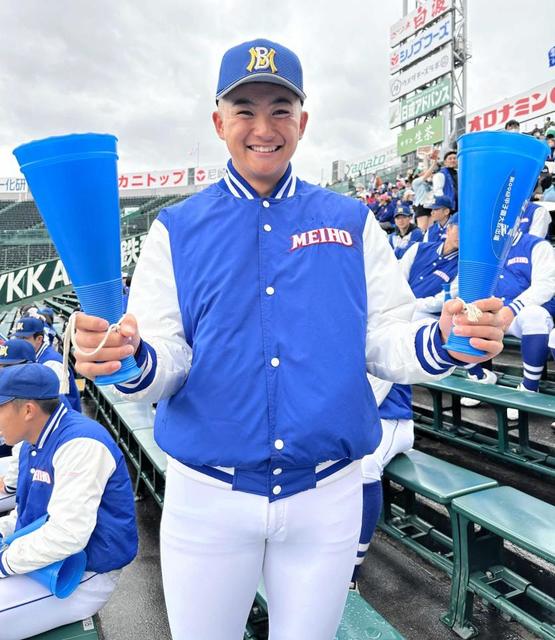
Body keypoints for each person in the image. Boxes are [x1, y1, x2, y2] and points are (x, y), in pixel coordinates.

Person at [73, 38, 504, 640]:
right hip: (209, 495)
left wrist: (445, 341)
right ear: (218, 122)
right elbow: (167, 359)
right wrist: (129, 359)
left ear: (302, 121)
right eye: (244, 110)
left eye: (280, 109)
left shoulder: (352, 220)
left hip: (325, 493)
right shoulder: (177, 227)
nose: (263, 127)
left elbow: (386, 338)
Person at [0, 364, 138, 639]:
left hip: (83, 574)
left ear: (28, 410)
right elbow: (28, 513)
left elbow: (68, 535)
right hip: (48, 560)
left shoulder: (81, 443)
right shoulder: (33, 440)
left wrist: (4, 561)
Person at [461, 230, 555, 419]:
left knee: (534, 315)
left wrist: (512, 309)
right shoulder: (485, 249)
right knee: (459, 316)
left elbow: (545, 286)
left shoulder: (536, 245)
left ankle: (530, 388)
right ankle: (480, 376)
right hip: (495, 312)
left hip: (523, 313)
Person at [350, 378, 414, 592]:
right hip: (362, 418)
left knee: (365, 465)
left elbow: (375, 389)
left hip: (391, 419)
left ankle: (351, 571)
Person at [13, 316, 82, 412]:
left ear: (39, 339)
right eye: (18, 337)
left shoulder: (52, 363)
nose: (19, 342)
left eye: (24, 338)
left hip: (63, 417)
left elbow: (55, 404)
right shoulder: (34, 355)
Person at [0, 340, 37, 515]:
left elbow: (23, 446)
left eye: (7, 367)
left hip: (30, 481)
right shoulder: (25, 390)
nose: (3, 372)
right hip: (24, 471)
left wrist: (8, 483)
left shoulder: (31, 399)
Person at [411, 150, 438, 232]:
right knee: (422, 230)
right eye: (422, 171)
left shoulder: (429, 182)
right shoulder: (416, 182)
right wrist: (434, 162)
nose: (424, 172)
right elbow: (428, 173)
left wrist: (430, 159)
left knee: (430, 230)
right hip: (421, 206)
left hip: (430, 205)